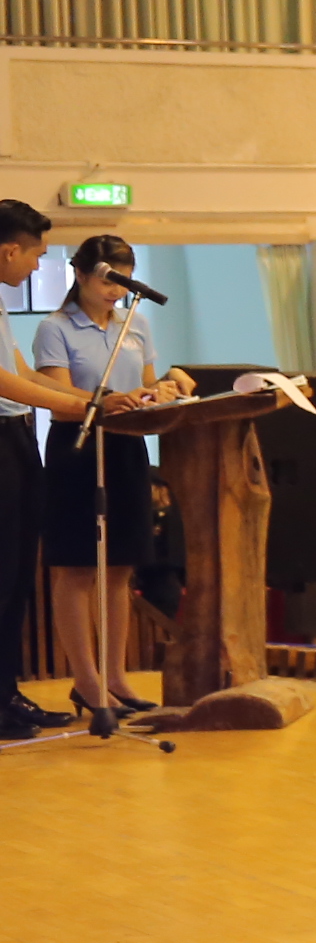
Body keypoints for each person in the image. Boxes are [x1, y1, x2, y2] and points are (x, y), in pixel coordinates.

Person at [35, 233, 190, 724]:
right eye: (107, 279)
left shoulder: (135, 323)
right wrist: (106, 401)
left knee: (121, 566)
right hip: (78, 446)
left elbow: (144, 386)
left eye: (124, 280)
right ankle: (86, 679)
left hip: (126, 445)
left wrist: (164, 388)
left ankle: (117, 676)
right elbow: (60, 398)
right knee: (77, 568)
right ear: (81, 274)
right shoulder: (54, 328)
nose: (115, 291)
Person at [0, 199, 103, 742]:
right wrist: (75, 407)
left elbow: (18, 368)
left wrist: (88, 399)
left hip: (16, 436)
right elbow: (3, 381)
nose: (38, 265)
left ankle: (7, 694)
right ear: (9, 250)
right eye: (36, 254)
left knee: (19, 573)